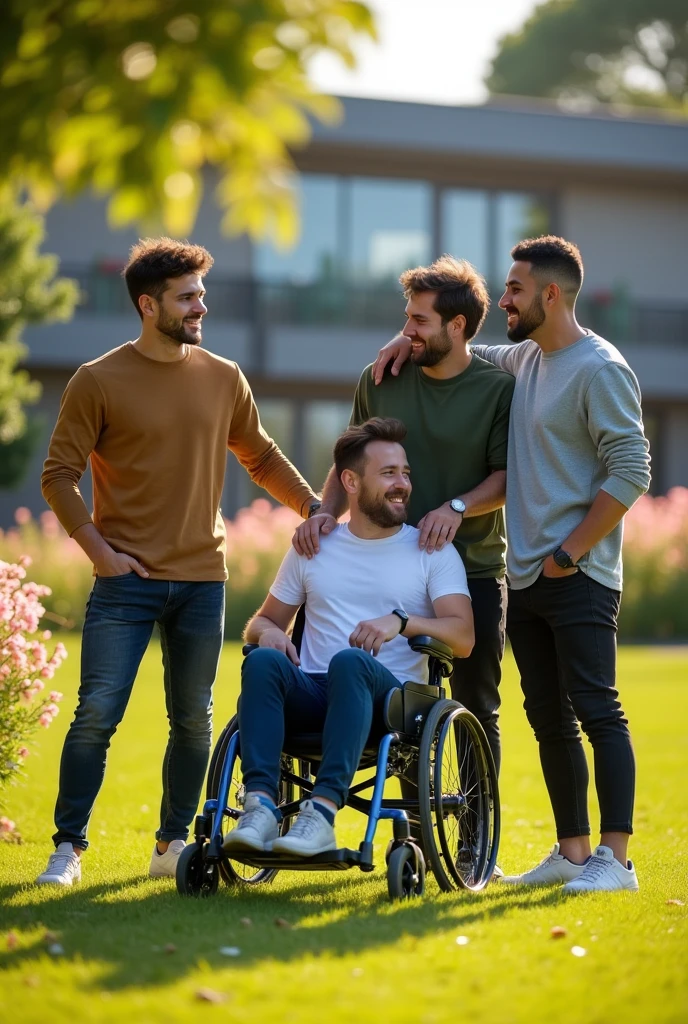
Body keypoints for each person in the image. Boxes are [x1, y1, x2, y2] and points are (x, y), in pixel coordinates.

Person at [36, 237, 321, 886]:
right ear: (148, 305)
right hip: (125, 584)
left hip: (202, 581)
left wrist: (313, 508)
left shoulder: (223, 377)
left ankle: (170, 844)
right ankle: (68, 848)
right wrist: (100, 553)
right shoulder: (96, 380)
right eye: (188, 297)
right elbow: (58, 477)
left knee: (193, 720)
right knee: (97, 714)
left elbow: (263, 456)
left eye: (201, 295)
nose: (202, 307)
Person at [372, 235, 651, 893]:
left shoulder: (600, 368)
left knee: (598, 709)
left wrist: (569, 552)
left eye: (516, 289)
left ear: (550, 294)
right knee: (548, 718)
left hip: (575, 573)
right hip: (525, 577)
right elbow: (452, 342)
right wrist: (399, 340)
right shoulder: (524, 357)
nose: (504, 300)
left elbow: (632, 469)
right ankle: (573, 851)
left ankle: (617, 860)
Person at [293, 256, 514, 779]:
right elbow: (350, 460)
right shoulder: (382, 377)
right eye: (407, 318)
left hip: (474, 564)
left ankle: (471, 848)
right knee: (319, 674)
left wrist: (457, 507)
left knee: (477, 705)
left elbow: (507, 476)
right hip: (381, 561)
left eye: (419, 321)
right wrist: (325, 515)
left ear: (457, 327)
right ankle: (293, 811)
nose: (406, 330)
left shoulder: (498, 389)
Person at [224, 417, 473, 857]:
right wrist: (268, 637)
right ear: (350, 481)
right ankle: (260, 806)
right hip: (314, 693)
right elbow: (261, 622)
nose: (403, 485)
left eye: (406, 473)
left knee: (350, 662)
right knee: (261, 661)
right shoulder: (313, 547)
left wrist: (402, 621)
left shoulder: (431, 550)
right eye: (389, 474)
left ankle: (320, 814)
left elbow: (464, 636)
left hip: (390, 703)